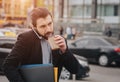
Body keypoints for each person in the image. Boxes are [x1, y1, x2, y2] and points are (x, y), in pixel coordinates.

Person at [2, 7, 80, 82]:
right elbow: (8, 66)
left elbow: (75, 69)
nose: (48, 29)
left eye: (50, 24)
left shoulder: (59, 40)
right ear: (33, 27)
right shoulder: (25, 39)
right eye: (43, 26)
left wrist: (65, 50)